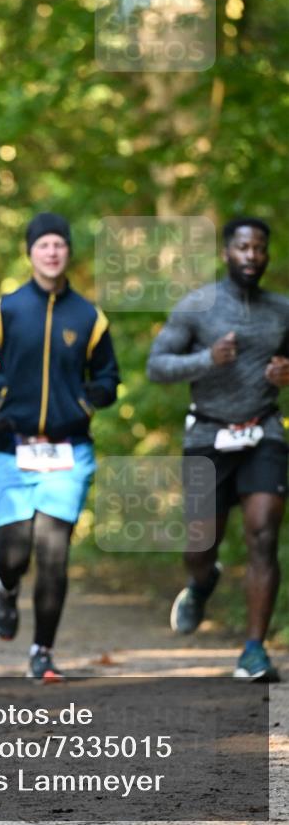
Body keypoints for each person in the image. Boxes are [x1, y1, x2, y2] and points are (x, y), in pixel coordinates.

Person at [0, 213, 120, 680]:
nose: (52, 252)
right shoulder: (5, 310)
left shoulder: (89, 317)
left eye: (59, 244)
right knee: (14, 552)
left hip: (67, 452)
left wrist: (84, 403)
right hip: (9, 450)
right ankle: (7, 587)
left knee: (54, 551)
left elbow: (109, 379)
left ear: (68, 251)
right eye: (43, 245)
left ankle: (42, 652)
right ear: (30, 252)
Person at [146, 217, 289, 682]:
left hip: (263, 431)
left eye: (259, 248)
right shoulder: (197, 307)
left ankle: (253, 650)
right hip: (208, 434)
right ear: (227, 253)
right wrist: (208, 358)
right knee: (200, 543)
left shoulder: (282, 310)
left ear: (266, 255)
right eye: (243, 247)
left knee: (263, 535)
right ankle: (202, 580)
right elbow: (157, 366)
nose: (252, 255)